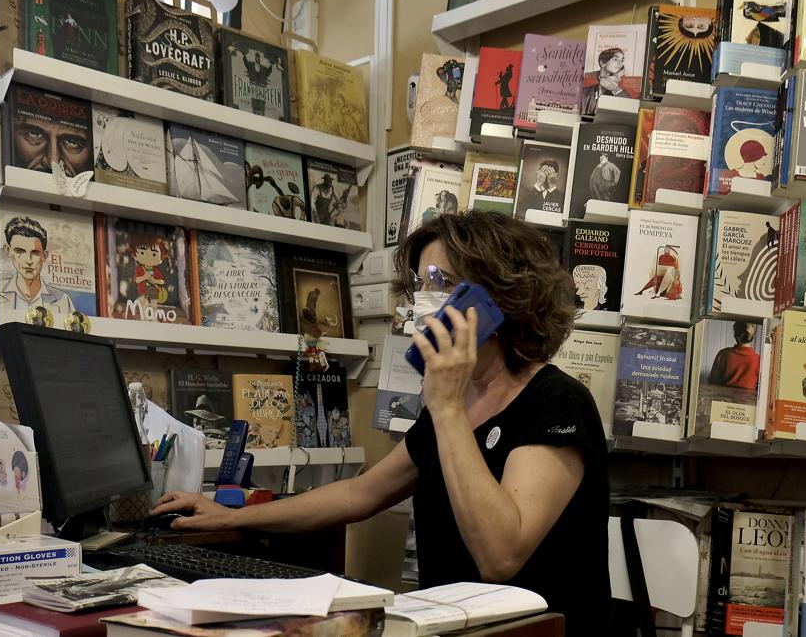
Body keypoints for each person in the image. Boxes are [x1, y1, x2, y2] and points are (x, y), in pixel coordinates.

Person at [152, 211, 609, 632]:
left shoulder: (557, 402)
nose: (423, 301)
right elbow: (357, 494)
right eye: (421, 283)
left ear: (500, 296)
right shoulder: (451, 405)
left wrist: (447, 407)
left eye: (442, 282)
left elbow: (500, 556)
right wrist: (237, 516)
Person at [0, 216, 76, 318]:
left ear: (45, 255)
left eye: (35, 253)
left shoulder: (62, 300)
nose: (28, 261)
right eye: (20, 251)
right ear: (8, 250)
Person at [708, 322, 760, 390]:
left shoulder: (723, 354)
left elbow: (712, 381)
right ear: (753, 336)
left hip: (722, 398)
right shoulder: (759, 360)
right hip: (748, 400)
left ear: (735, 335)